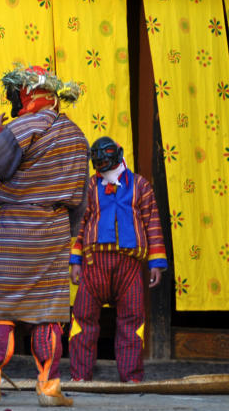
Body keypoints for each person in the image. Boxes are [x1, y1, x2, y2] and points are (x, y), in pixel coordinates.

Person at [0, 65, 88, 408]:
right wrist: (67, 236)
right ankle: (49, 387)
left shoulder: (23, 125)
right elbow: (81, 198)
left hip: (14, 230)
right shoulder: (77, 134)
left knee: (0, 309)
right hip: (54, 231)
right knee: (49, 311)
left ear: (26, 95)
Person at [69, 137, 167, 383]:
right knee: (82, 319)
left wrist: (156, 263)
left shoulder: (140, 185)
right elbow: (80, 225)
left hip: (130, 267)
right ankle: (80, 377)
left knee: (132, 321)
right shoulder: (90, 187)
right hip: (94, 265)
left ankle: (131, 378)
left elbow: (152, 224)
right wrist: (75, 260)